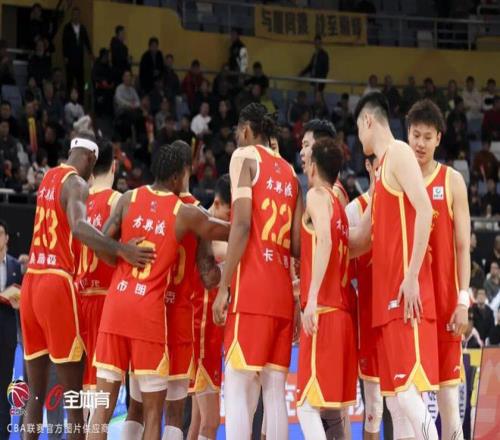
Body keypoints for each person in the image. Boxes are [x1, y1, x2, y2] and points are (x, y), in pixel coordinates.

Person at [88, 144, 228, 440]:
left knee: (113, 406)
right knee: (164, 412)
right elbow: (209, 274)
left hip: (118, 305)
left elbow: (99, 243)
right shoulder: (190, 212)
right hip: (162, 316)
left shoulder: (128, 198)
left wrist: (121, 251)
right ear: (181, 175)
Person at [19, 132, 153, 440]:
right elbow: (79, 227)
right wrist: (121, 249)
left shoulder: (47, 177)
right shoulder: (78, 184)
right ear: (92, 159)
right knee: (74, 399)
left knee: (35, 395)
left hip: (31, 281)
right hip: (58, 283)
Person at [350, 92, 439, 440]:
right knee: (395, 403)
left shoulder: (400, 152)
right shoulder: (381, 171)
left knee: (407, 396)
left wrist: (412, 276)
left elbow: (425, 209)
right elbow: (361, 240)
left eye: (359, 129)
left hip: (405, 295)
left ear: (368, 121)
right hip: (385, 300)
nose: (359, 138)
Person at [212, 103, 302, 440]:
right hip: (281, 291)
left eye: (239, 132)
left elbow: (242, 224)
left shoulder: (244, 157)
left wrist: (224, 286)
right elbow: (297, 245)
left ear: (247, 130)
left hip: (252, 287)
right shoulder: (291, 173)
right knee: (274, 389)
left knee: (237, 383)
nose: (237, 138)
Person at [407, 99, 471, 440]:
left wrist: (463, 301)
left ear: (438, 139)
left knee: (447, 402)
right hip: (412, 305)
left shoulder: (452, 181)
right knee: (407, 402)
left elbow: (462, 247)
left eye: (427, 137)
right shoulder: (397, 180)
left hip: (445, 304)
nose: (420, 143)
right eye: (415, 135)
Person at [296, 137, 357, 440]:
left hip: (323, 313)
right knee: (332, 413)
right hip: (341, 315)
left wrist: (310, 298)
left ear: (314, 167)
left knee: (306, 407)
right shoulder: (339, 207)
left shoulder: (317, 195)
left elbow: (326, 241)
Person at [74, 140, 120, 397]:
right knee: (102, 381)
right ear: (114, 166)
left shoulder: (78, 200)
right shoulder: (118, 201)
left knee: (82, 381)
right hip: (106, 299)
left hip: (78, 298)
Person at [188, 174, 231, 440]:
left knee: (197, 424)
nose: (232, 222)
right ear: (216, 204)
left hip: (207, 333)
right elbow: (226, 251)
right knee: (211, 423)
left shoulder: (205, 225)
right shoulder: (206, 230)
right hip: (201, 332)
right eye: (230, 214)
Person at [345, 154, 385, 440]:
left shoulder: (402, 205)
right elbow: (344, 267)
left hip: (396, 314)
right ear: (369, 166)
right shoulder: (354, 210)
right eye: (378, 165)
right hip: (365, 318)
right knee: (372, 405)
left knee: (399, 402)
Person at [0, 219, 22, 440]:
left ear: (6, 238)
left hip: (7, 332)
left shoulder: (15, 266)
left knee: (4, 386)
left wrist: (18, 302)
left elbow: (23, 294)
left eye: (0, 233)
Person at [300, 119, 349, 207]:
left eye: (306, 145)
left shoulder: (331, 192)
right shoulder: (325, 189)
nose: (301, 152)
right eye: (302, 146)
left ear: (321, 147)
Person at [62, 7, 93, 102]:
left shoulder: (82, 28)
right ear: (72, 15)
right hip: (70, 58)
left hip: (79, 59)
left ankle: (81, 102)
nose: (76, 16)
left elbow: (86, 41)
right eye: (74, 14)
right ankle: (69, 101)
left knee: (81, 82)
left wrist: (90, 53)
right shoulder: (67, 27)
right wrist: (65, 56)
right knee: (70, 81)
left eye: (77, 14)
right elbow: (64, 42)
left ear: (79, 16)